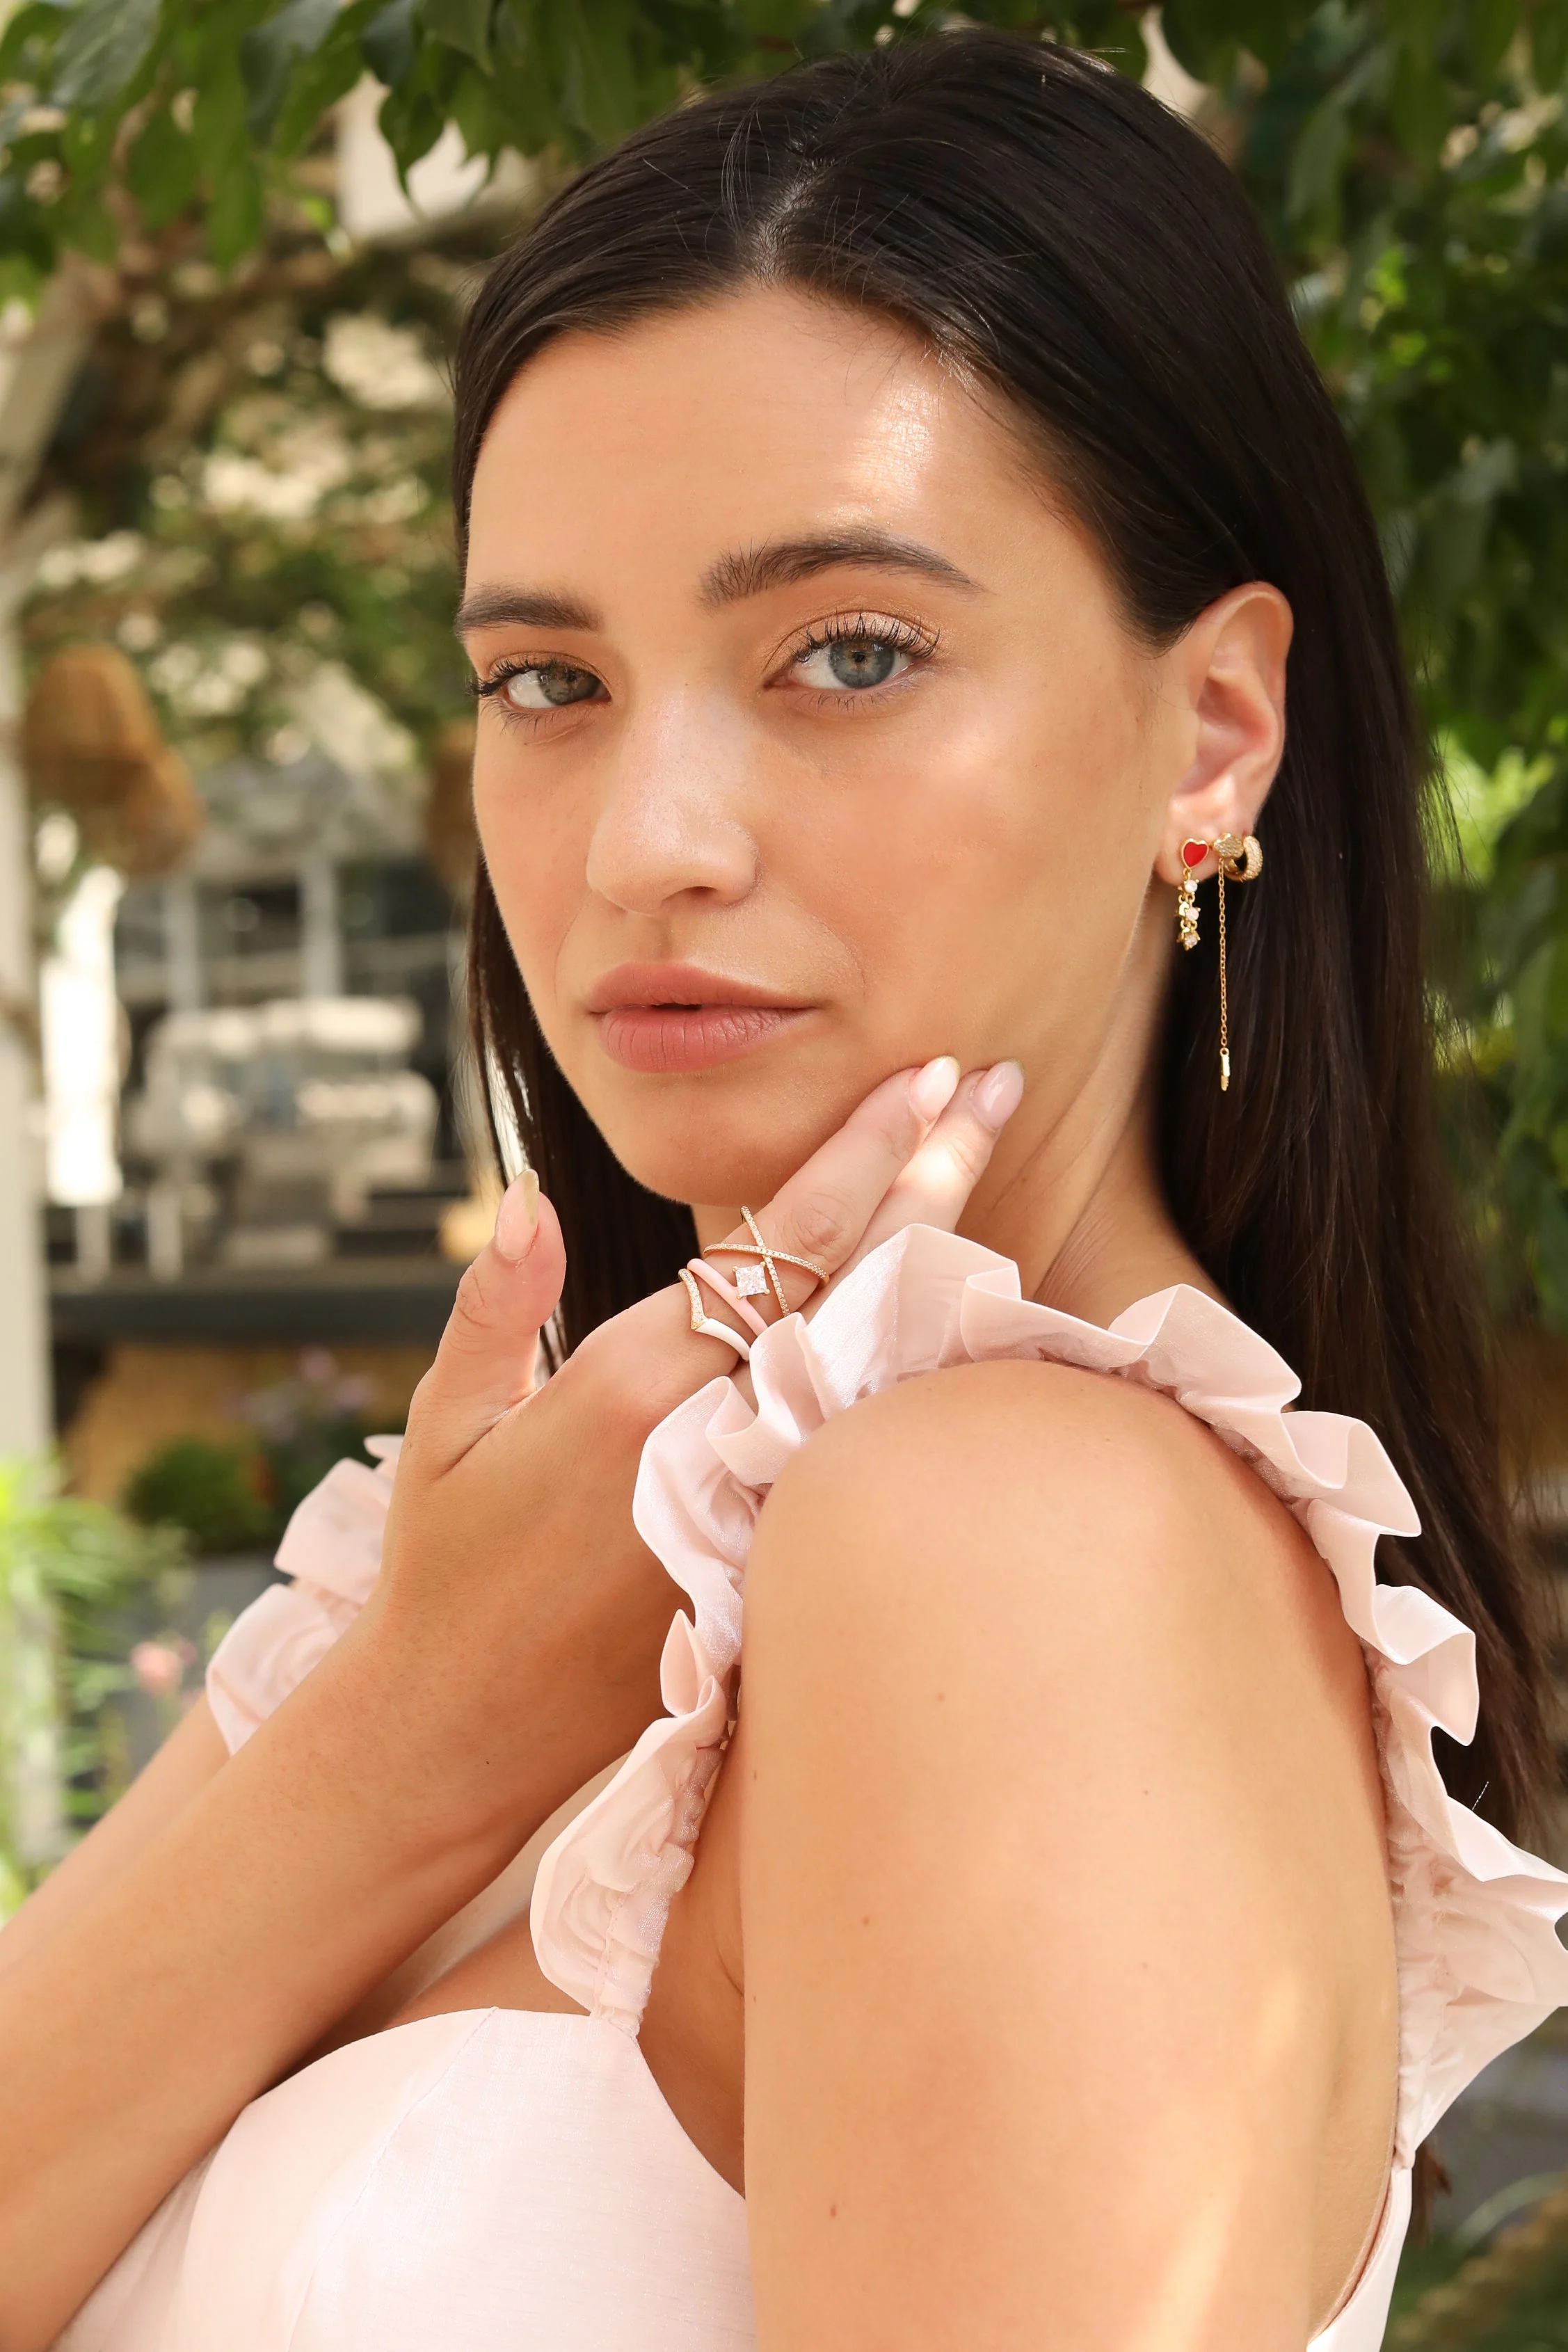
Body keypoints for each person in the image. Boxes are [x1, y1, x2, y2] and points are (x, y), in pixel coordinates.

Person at [5, 31, 1567, 2351]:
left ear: (1213, 731)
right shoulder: (480, 1575)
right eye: (547, 677)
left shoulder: (1011, 1538)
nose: (649, 840)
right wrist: (412, 1723)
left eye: (848, 651)